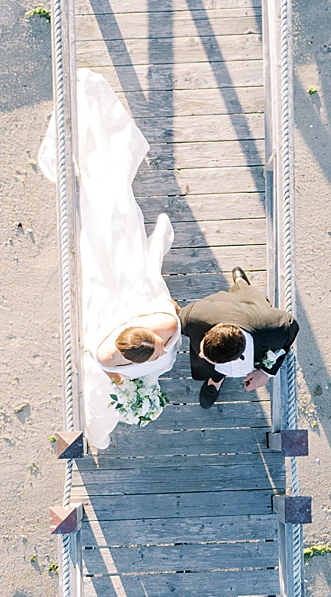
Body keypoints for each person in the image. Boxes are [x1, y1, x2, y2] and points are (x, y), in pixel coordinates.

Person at [37, 69, 179, 453]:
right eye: (159, 349)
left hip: (116, 295)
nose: (166, 349)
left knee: (106, 232)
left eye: (157, 348)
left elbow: (155, 288)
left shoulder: (155, 327)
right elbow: (109, 365)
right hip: (122, 297)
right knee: (112, 225)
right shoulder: (121, 347)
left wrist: (130, 382)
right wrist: (133, 382)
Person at [180, 268, 299, 409]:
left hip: (254, 308)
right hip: (224, 303)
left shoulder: (277, 329)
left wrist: (266, 372)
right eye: (204, 350)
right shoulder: (193, 317)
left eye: (205, 355)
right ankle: (241, 283)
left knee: (246, 292)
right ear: (211, 331)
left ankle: (242, 283)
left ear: (237, 357)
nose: (200, 354)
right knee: (242, 290)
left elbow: (292, 329)